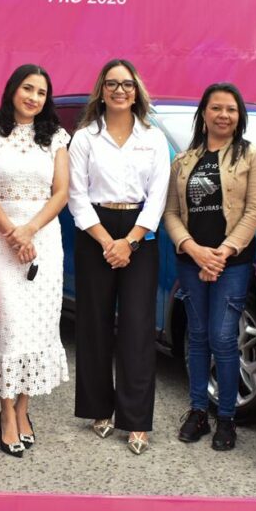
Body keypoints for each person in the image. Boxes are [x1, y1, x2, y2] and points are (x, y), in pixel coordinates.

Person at [0, 65, 70, 458]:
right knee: (9, 328)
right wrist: (13, 233)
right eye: (28, 88)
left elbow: (61, 193)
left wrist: (30, 231)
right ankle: (6, 413)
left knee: (38, 330)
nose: (33, 98)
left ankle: (24, 409)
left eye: (41, 92)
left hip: (43, 241)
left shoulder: (56, 137)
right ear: (12, 89)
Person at [67, 59, 170, 455]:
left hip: (139, 232)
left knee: (137, 327)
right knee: (93, 323)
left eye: (126, 84)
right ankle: (98, 409)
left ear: (136, 90)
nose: (120, 91)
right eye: (112, 84)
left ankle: (136, 419)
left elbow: (158, 195)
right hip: (95, 230)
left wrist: (129, 241)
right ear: (102, 90)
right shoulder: (85, 138)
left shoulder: (153, 137)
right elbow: (76, 195)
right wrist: (107, 241)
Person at [162, 83, 256, 451]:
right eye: (216, 108)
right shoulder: (183, 160)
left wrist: (221, 253)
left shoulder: (253, 155)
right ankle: (197, 412)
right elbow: (171, 213)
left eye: (231, 109)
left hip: (232, 263)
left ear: (239, 116)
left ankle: (226, 417)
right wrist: (194, 250)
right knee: (197, 335)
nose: (224, 115)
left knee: (224, 338)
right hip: (191, 262)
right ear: (204, 114)